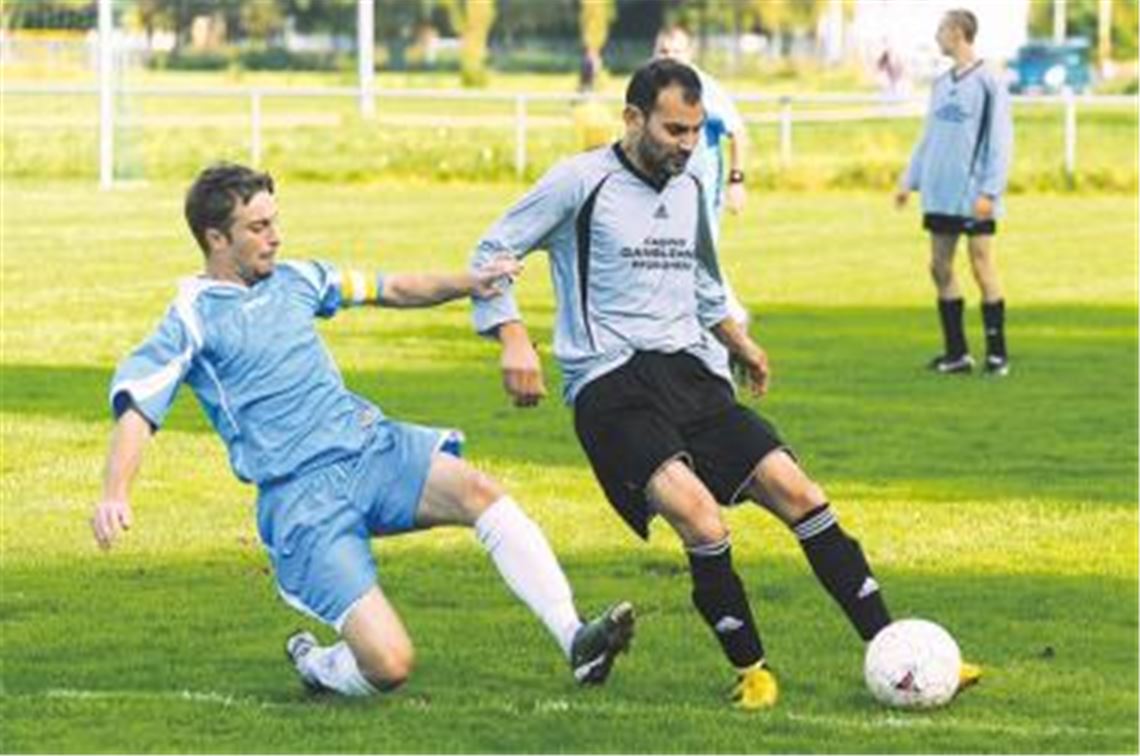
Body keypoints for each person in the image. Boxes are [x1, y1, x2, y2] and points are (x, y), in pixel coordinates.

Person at [468, 59, 981, 710]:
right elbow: (492, 251)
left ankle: (900, 652)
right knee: (699, 515)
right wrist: (512, 336)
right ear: (633, 119)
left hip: (690, 371)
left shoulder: (687, 187)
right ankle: (753, 671)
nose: (687, 145)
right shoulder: (578, 181)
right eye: (674, 130)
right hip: (611, 384)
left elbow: (704, 279)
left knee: (801, 492)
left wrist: (738, 340)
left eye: (696, 130)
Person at [90, 162, 634, 697]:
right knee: (390, 665)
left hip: (369, 451)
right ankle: (319, 664)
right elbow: (139, 406)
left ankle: (574, 639)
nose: (276, 238)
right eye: (259, 228)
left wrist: (469, 281)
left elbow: (391, 287)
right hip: (303, 502)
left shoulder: (298, 278)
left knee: (480, 492)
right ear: (216, 238)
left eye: (275, 222)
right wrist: (115, 494)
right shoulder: (191, 317)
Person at [895, 9, 1014, 376]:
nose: (937, 38)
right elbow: (928, 136)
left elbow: (1001, 139)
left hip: (975, 193)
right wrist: (908, 180)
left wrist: (990, 190)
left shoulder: (989, 80)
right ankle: (957, 353)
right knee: (939, 266)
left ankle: (997, 354)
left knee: (982, 266)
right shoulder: (941, 83)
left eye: (941, 31)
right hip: (940, 193)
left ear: (959, 33)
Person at [653, 26, 750, 333]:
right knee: (668, 259)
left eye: (676, 51)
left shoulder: (704, 88)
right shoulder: (650, 88)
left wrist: (736, 180)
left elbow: (738, 133)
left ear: (689, 54)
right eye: (663, 51)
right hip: (662, 189)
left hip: (700, 192)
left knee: (693, 260)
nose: (669, 58)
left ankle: (731, 317)